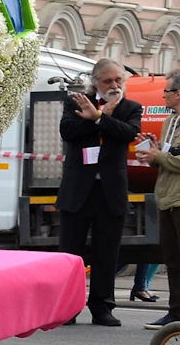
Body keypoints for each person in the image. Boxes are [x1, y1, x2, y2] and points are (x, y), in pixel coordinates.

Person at [56, 58, 142, 326]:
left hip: (110, 190)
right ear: (96, 82)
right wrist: (96, 117)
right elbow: (68, 131)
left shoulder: (131, 108)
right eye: (108, 81)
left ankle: (102, 307)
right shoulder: (76, 102)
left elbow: (128, 133)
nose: (114, 85)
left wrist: (100, 118)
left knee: (107, 252)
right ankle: (67, 308)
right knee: (71, 254)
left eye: (118, 80)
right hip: (78, 189)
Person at [140, 71, 180, 327]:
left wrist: (160, 157)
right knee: (173, 261)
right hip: (166, 197)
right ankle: (175, 313)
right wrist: (152, 152)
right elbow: (169, 156)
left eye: (166, 91)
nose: (163, 94)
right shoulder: (169, 121)